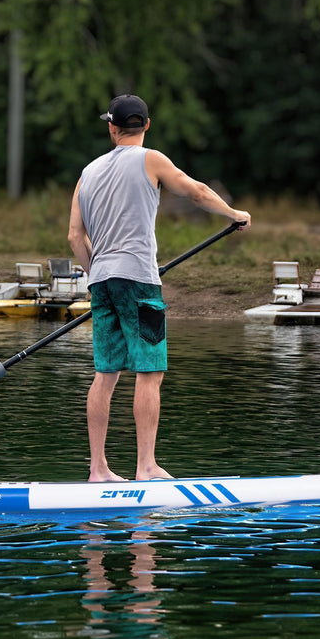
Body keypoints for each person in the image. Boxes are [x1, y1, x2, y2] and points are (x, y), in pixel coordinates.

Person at [68, 93, 251, 482]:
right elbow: (196, 191)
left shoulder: (87, 172)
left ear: (112, 128)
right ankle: (145, 467)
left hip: (101, 281)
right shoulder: (150, 159)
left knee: (106, 374)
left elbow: (74, 237)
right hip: (138, 279)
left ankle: (98, 469)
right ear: (146, 126)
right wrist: (235, 214)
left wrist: (96, 272)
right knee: (149, 373)